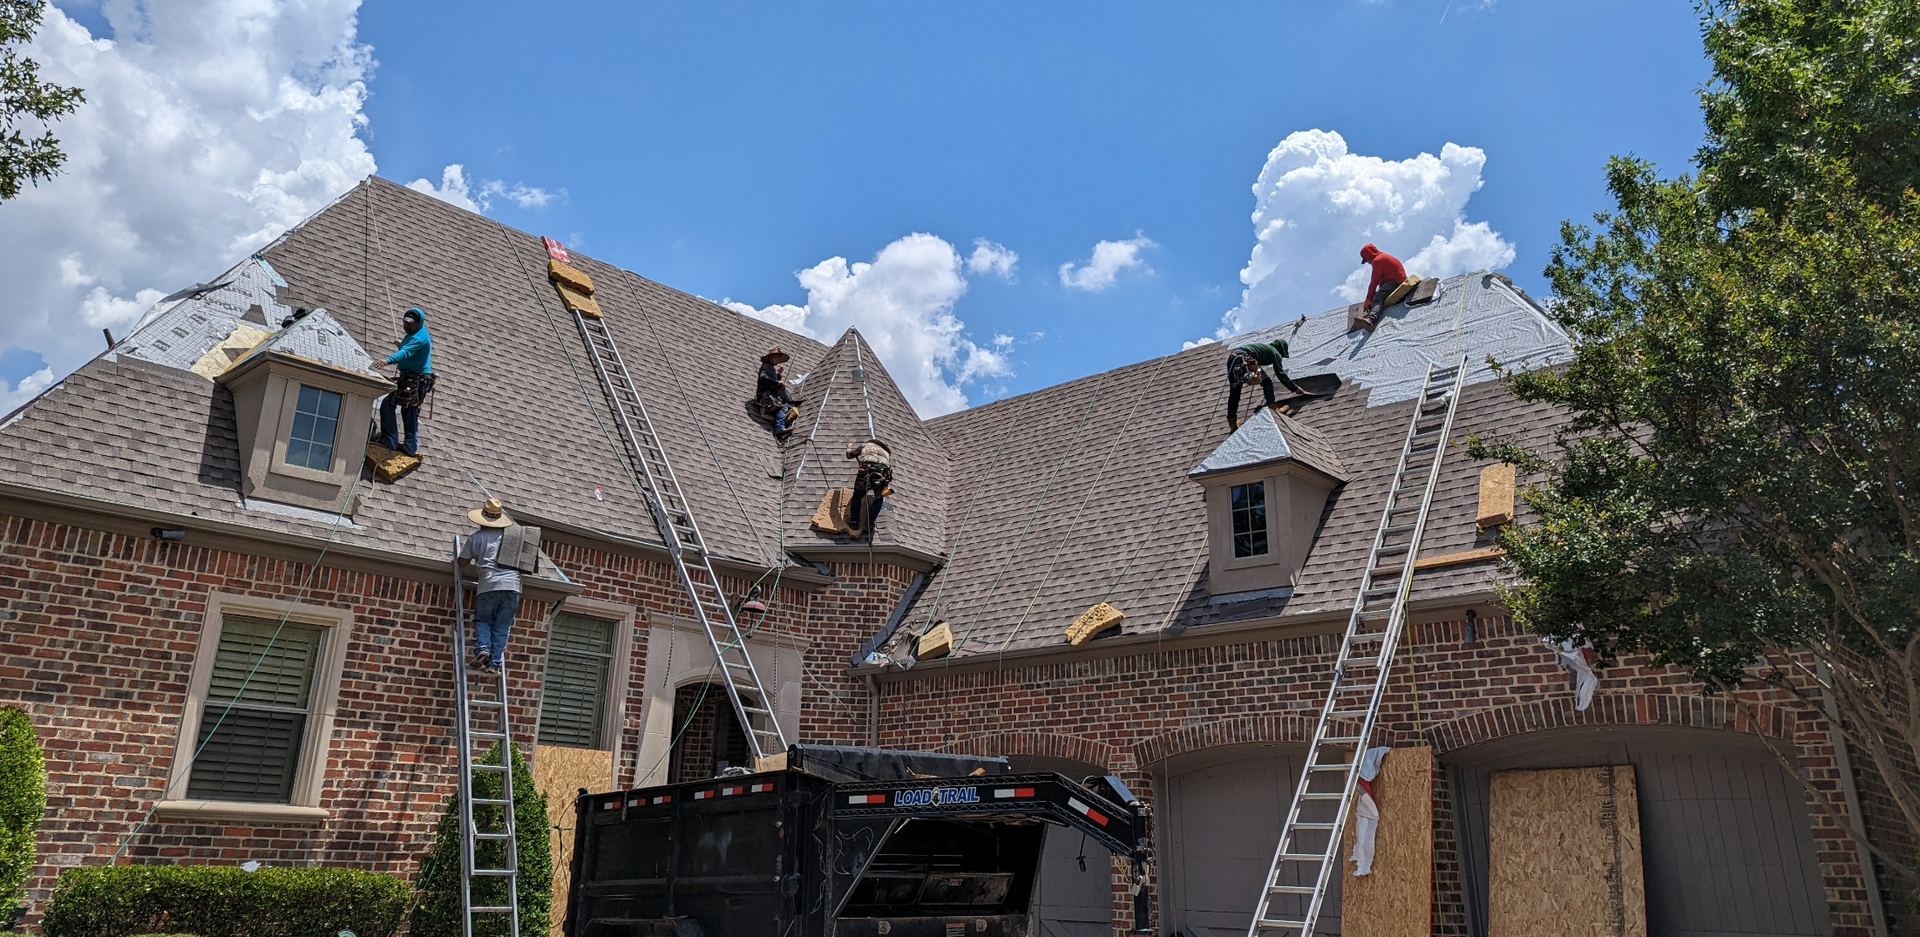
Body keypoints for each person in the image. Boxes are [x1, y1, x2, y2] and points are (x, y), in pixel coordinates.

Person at [457, 498, 520, 674]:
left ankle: (483, 647)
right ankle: (493, 664)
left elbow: (462, 562)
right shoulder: (511, 539)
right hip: (513, 587)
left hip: (489, 585)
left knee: (483, 619)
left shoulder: (477, 538)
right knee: (502, 625)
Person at [379, 306, 434, 456]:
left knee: (408, 410)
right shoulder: (413, 334)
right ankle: (390, 440)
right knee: (389, 404)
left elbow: (407, 351)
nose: (406, 325)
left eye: (410, 323)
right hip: (409, 378)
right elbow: (407, 348)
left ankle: (408, 446)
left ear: (419, 323)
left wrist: (388, 360)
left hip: (418, 381)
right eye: (405, 322)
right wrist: (401, 344)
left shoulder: (419, 337)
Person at [1225, 338, 1304, 430]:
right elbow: (1280, 373)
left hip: (1232, 359)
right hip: (1245, 358)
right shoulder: (1275, 352)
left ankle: (1232, 422)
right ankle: (1273, 408)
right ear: (1281, 350)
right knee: (1266, 381)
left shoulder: (1265, 348)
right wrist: (1294, 388)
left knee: (1235, 390)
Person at [1356, 244, 1419, 333]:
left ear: (1370, 254)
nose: (1368, 262)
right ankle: (1374, 311)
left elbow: (1374, 282)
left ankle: (1371, 320)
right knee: (1377, 295)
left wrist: (1368, 299)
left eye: (1367, 259)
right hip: (1394, 281)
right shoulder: (1383, 257)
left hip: (1394, 282)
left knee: (1378, 298)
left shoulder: (1378, 260)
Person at [844, 438, 893, 537]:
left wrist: (849, 446)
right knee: (879, 497)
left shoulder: (865, 445)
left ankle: (854, 522)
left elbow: (849, 455)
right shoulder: (886, 453)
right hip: (882, 474)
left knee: (857, 496)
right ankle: (870, 523)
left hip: (866, 472)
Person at [755, 346, 797, 438]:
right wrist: (777, 382)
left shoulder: (771, 368)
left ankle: (780, 422)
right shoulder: (766, 366)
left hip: (771, 395)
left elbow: (771, 382)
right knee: (783, 407)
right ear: (770, 357)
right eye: (776, 358)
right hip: (765, 396)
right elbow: (763, 377)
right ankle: (779, 428)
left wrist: (779, 374)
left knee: (788, 406)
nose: (778, 360)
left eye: (779, 358)